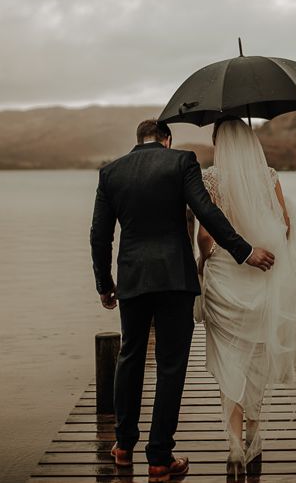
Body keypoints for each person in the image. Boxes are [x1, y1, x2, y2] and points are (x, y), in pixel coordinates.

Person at [90, 118, 275, 482]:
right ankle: (160, 457)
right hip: (175, 277)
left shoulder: (110, 172)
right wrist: (244, 251)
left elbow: (99, 235)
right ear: (167, 139)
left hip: (132, 278)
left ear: (138, 139)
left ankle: (123, 446)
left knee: (130, 355)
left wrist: (104, 283)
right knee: (170, 366)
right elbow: (207, 212)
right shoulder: (181, 162)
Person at [195, 117, 296, 477]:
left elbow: (206, 236)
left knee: (229, 360)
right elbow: (284, 224)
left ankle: (234, 444)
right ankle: (254, 432)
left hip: (224, 281)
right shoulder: (269, 177)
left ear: (220, 142)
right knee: (255, 356)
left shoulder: (210, 179)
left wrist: (204, 260)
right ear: (250, 140)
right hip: (261, 275)